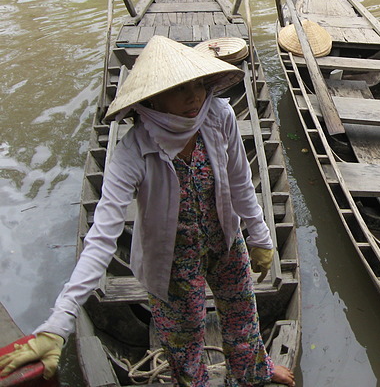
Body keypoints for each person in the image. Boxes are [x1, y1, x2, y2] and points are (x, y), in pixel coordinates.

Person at [0, 36, 295, 387]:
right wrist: (57, 324)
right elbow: (101, 239)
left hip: (225, 241)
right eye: (179, 89)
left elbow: (241, 182)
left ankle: (252, 371)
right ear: (152, 99)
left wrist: (260, 236)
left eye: (199, 84)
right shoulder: (133, 151)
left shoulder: (219, 116)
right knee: (184, 341)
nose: (194, 97)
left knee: (243, 311)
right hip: (171, 262)